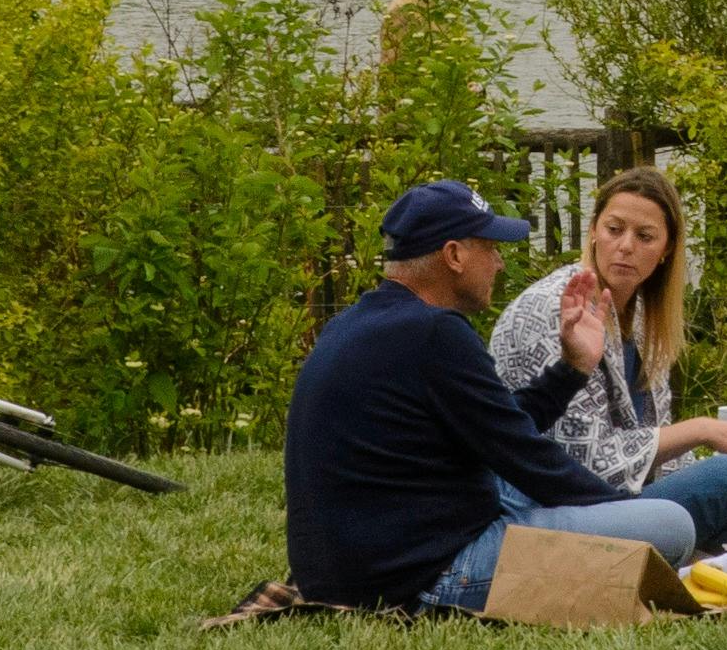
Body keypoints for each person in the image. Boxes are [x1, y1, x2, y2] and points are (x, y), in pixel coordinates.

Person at [282, 178, 696, 612]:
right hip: (428, 576)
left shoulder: (362, 323)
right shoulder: (435, 334)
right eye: (490, 247)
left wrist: (571, 369)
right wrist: (621, 514)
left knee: (530, 496)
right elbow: (530, 461)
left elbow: (500, 426)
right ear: (455, 256)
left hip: (347, 573)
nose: (499, 264)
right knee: (672, 525)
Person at [489, 165, 727, 552]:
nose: (625, 246)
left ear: (667, 250)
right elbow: (585, 463)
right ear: (593, 231)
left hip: (628, 492)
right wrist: (699, 432)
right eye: (614, 229)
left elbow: (658, 455)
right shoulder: (558, 307)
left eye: (645, 236)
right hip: (560, 508)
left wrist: (721, 493)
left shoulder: (641, 313)